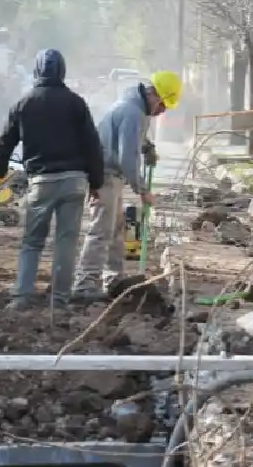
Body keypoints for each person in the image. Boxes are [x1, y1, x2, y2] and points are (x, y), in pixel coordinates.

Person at [0, 48, 104, 311]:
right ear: (62, 71)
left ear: (36, 71)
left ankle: (21, 296)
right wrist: (96, 183)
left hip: (41, 182)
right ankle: (60, 302)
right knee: (66, 242)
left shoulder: (24, 104)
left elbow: (3, 144)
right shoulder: (76, 103)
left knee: (32, 242)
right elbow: (92, 145)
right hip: (75, 182)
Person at [71, 70, 182, 301]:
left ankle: (113, 279)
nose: (163, 111)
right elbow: (127, 157)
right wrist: (142, 190)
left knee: (115, 229)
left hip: (111, 175)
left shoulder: (134, 108)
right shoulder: (133, 113)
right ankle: (84, 284)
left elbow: (132, 141)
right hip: (105, 176)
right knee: (101, 230)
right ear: (153, 95)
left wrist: (147, 146)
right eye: (163, 105)